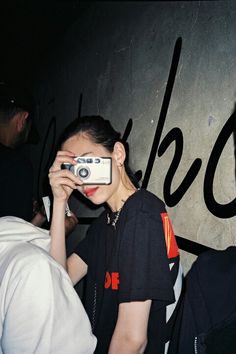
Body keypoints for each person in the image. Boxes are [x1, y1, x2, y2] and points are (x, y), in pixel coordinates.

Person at [49, 115, 183, 354]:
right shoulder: (104, 223)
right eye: (75, 171)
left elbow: (132, 340)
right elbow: (61, 279)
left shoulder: (142, 214)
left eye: (88, 164)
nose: (82, 180)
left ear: (118, 154)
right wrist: (59, 202)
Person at [0, 215, 97, 354]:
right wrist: (59, 202)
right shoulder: (33, 266)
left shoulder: (31, 265)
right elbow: (64, 278)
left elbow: (61, 280)